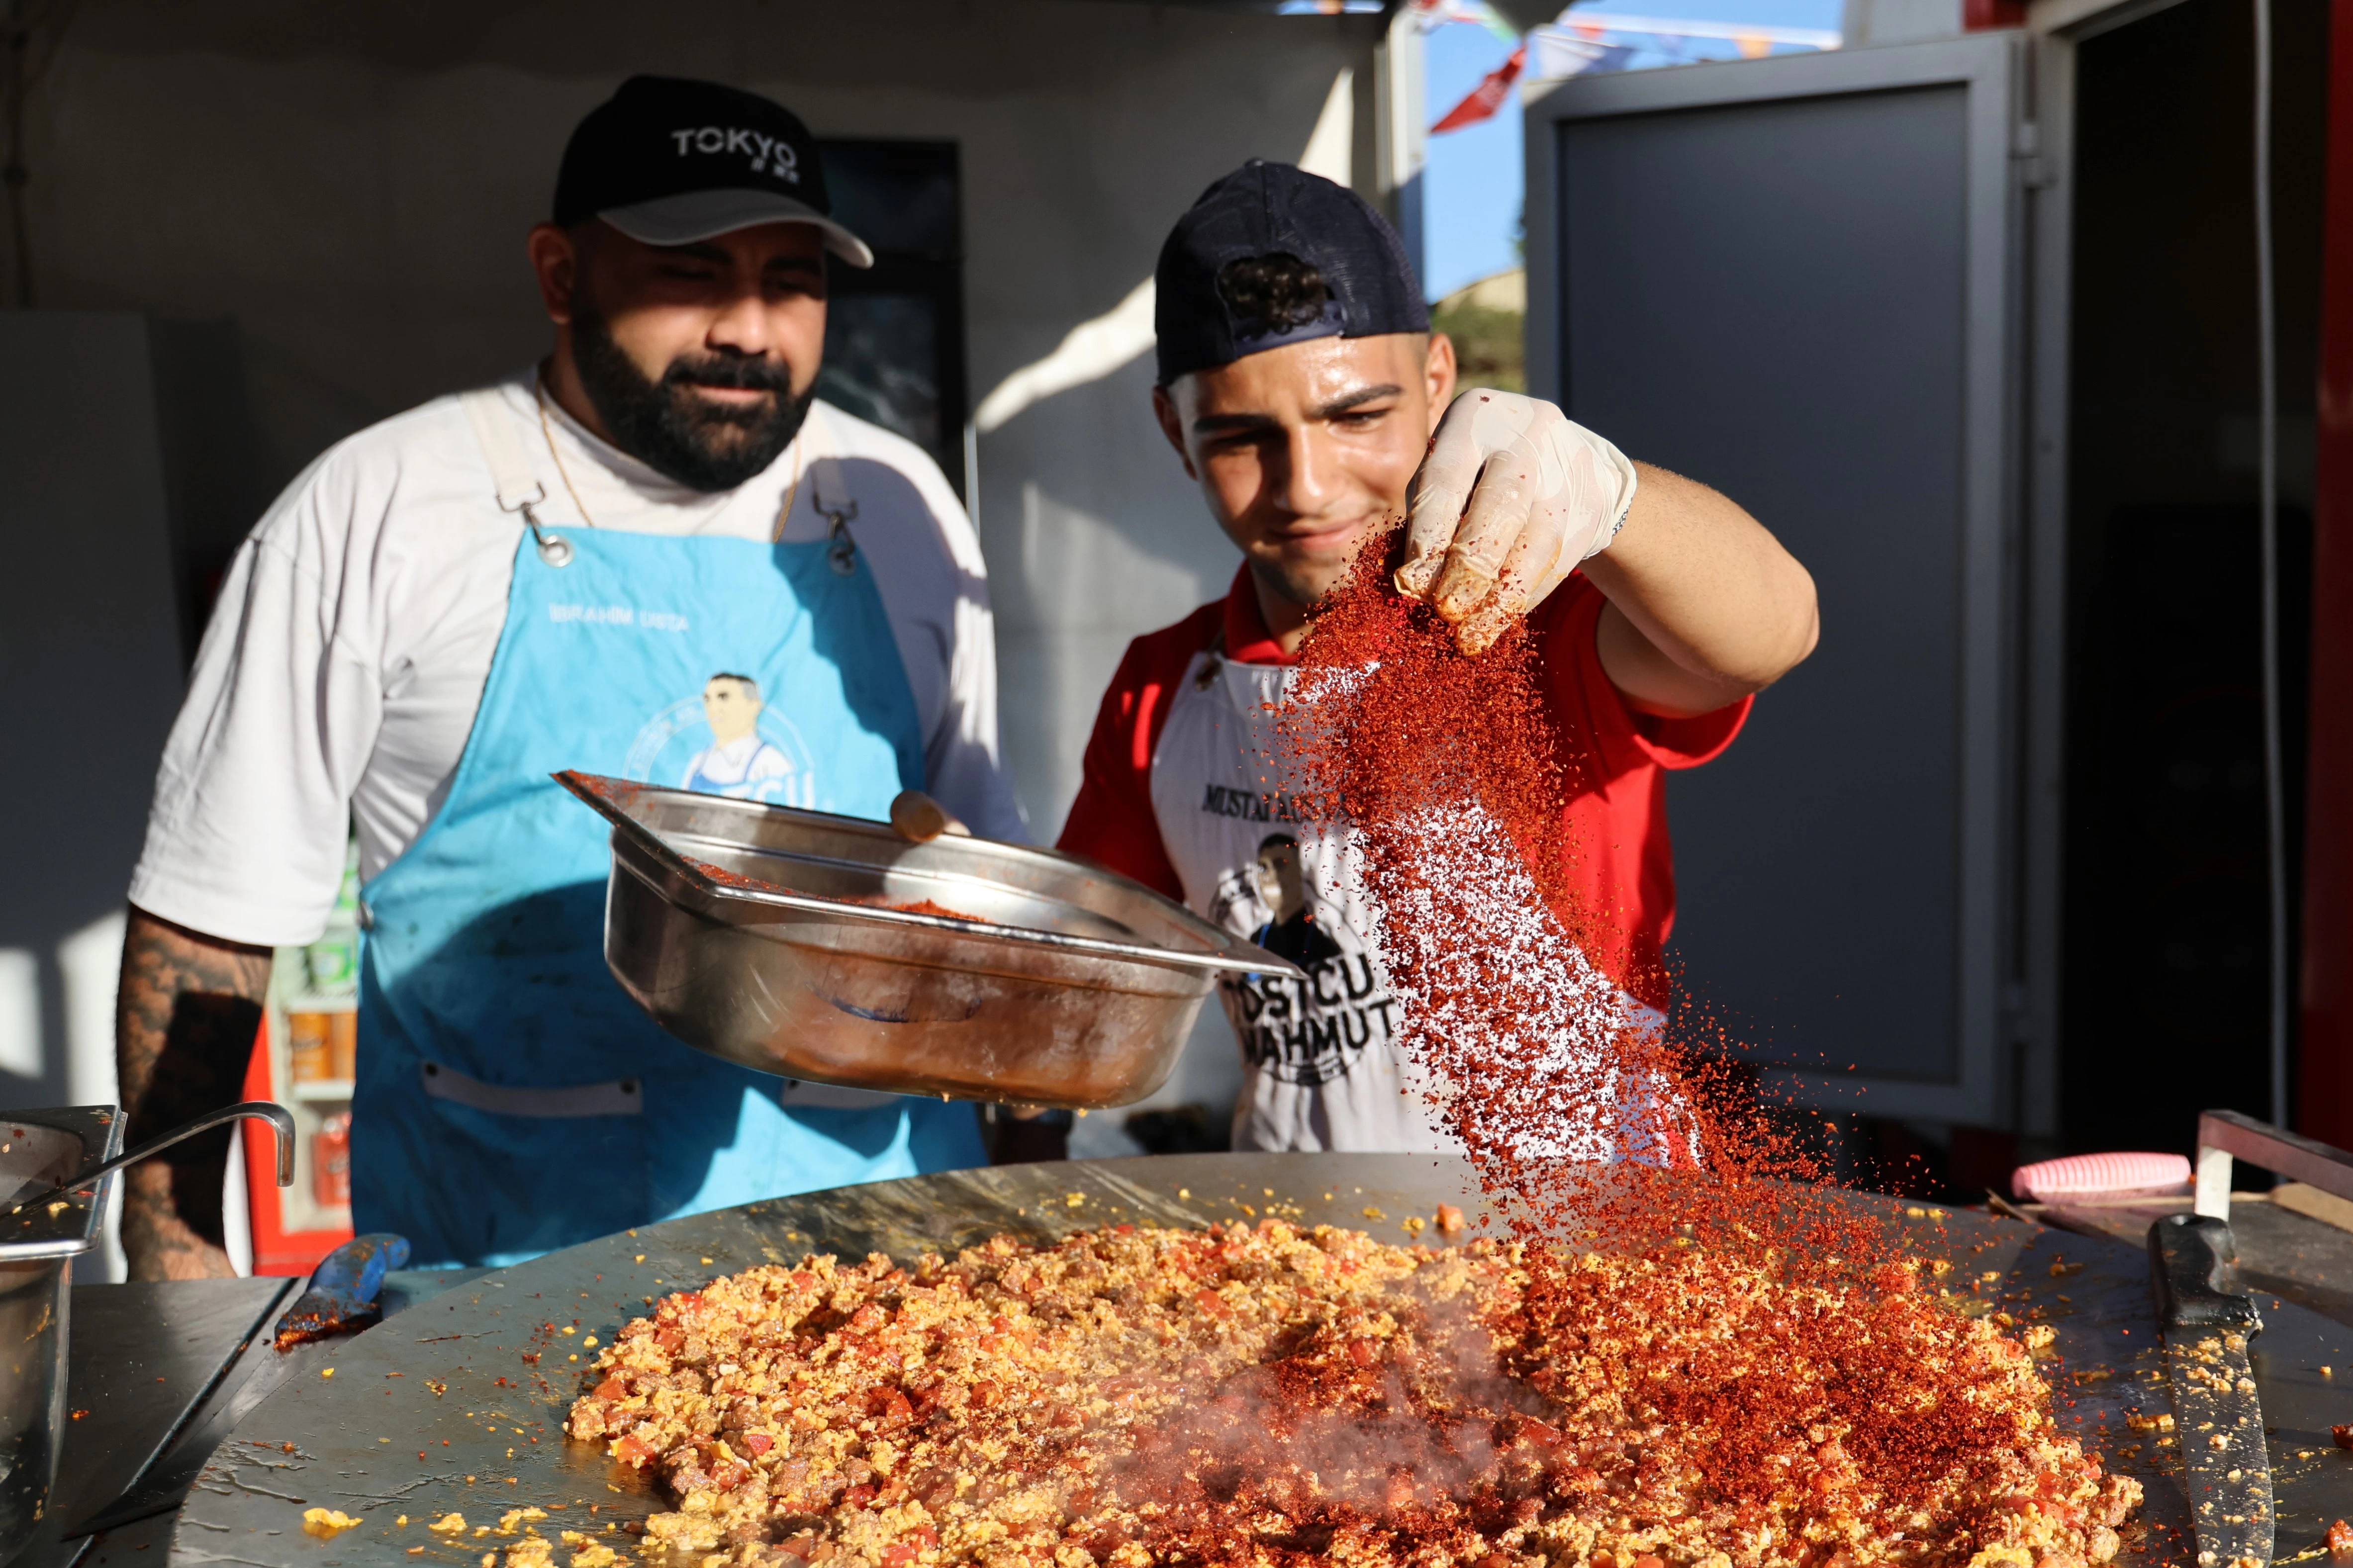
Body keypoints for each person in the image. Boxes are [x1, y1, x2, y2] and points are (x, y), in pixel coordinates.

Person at [118, 76, 1022, 1276]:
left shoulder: (901, 508)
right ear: (559, 274)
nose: (750, 328)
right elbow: (207, 927)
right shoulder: (380, 510)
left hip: (884, 1271)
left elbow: (985, 888)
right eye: (692, 271)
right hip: (497, 1282)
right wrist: (178, 1298)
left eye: (792, 279)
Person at [1056, 162, 1815, 1153]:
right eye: (1243, 437)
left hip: (1587, 1249)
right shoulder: (1164, 686)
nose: (1308, 486)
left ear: (1438, 381)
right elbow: (1085, 971)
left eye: (1357, 416)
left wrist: (1613, 498)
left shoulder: (1540, 626)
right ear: (1175, 431)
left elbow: (1776, 628)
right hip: (1304, 1248)